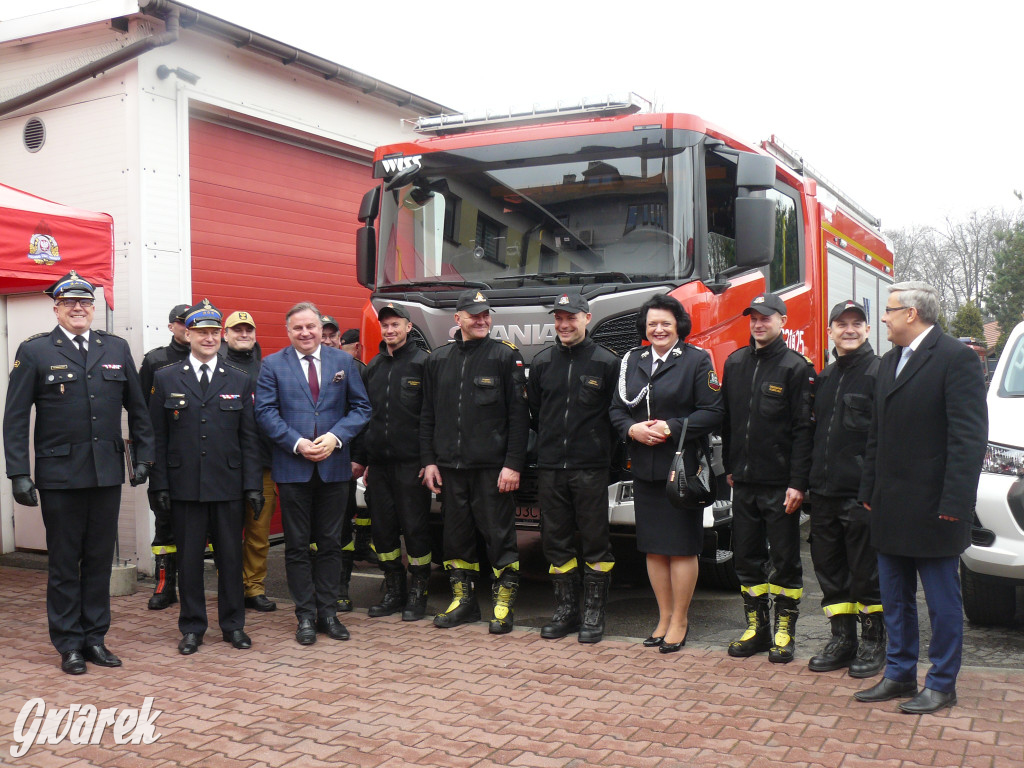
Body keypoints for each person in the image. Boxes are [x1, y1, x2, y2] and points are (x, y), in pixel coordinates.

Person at [3, 271, 154, 674]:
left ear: (94, 308)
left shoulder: (116, 347)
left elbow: (137, 409)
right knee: (66, 563)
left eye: (85, 303)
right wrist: (18, 472)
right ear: (56, 309)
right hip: (59, 476)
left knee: (99, 560)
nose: (78, 309)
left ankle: (95, 639)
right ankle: (69, 643)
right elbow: (15, 416)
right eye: (70, 303)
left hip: (106, 472)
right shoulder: (35, 351)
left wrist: (144, 457)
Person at [854, 281, 987, 715]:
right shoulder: (889, 362)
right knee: (895, 598)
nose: (884, 319)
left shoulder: (956, 358)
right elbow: (877, 434)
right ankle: (899, 674)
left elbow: (968, 439)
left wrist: (956, 504)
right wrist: (868, 491)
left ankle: (942, 682)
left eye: (890, 310)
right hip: (890, 505)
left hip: (935, 507)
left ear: (911, 313)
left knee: (943, 602)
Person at [609, 293, 724, 652]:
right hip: (644, 467)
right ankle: (662, 617)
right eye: (652, 324)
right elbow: (616, 410)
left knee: (681, 548)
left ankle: (680, 619)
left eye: (665, 323)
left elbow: (714, 411)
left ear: (679, 327)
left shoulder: (696, 361)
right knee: (654, 549)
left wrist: (671, 427)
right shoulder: (632, 360)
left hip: (683, 468)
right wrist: (632, 430)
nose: (658, 329)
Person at [148, 300, 264, 655]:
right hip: (185, 487)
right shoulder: (166, 377)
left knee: (230, 558)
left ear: (222, 336)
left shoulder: (240, 379)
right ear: (188, 334)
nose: (209, 338)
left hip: (227, 485)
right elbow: (158, 437)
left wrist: (252, 485)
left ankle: (233, 625)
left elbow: (249, 439)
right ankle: (193, 627)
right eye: (202, 332)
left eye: (215, 332)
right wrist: (160, 484)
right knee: (189, 561)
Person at [255, 302, 371, 645]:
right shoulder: (272, 365)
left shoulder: (343, 363)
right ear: (288, 332)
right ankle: (305, 616)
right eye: (297, 328)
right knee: (297, 547)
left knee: (332, 544)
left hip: (334, 469)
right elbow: (265, 412)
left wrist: (336, 438)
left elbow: (362, 408)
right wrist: (297, 443)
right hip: (293, 469)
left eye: (311, 327)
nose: (305, 333)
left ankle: (329, 613)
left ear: (322, 329)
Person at [420, 290, 530, 633]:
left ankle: (502, 604)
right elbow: (427, 416)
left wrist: (513, 464)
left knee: (499, 536)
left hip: (492, 470)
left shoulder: (504, 357)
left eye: (485, 315)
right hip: (450, 469)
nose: (481, 320)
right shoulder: (437, 361)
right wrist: (430, 461)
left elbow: (519, 417)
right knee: (456, 538)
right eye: (473, 315)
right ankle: (463, 602)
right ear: (458, 319)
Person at [721, 292, 815, 664]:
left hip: (780, 486)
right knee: (746, 558)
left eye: (766, 317)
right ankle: (756, 628)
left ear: (782, 321)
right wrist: (730, 465)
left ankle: (784, 630)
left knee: (786, 560)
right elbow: (728, 421)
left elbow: (803, 431)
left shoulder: (796, 368)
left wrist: (798, 483)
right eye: (754, 318)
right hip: (743, 482)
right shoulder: (735, 363)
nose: (759, 324)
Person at [528, 292, 621, 643]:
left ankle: (594, 614)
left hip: (591, 468)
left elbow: (615, 416)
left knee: (596, 543)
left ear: (586, 317)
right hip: (551, 466)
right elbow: (536, 412)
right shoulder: (541, 363)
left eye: (571, 317)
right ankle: (567, 611)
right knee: (556, 542)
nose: (564, 324)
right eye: (559, 318)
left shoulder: (606, 362)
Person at [807, 300, 884, 677]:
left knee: (866, 574)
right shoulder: (825, 377)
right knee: (830, 572)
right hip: (823, 494)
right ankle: (843, 640)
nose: (849, 330)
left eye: (857, 324)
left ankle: (873, 643)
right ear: (830, 332)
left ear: (868, 330)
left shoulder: (880, 374)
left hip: (861, 497)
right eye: (842, 324)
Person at [358, 302, 433, 620]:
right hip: (379, 467)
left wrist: (429, 460)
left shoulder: (424, 364)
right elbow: (364, 417)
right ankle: (394, 591)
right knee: (384, 532)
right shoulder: (373, 367)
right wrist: (362, 460)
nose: (390, 330)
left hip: (411, 465)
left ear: (408, 327)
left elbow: (432, 417)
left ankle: (418, 594)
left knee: (415, 529)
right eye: (385, 325)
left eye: (395, 325)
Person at [221, 310, 278, 612]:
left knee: (258, 533)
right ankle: (229, 587)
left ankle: (254, 588)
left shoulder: (267, 370)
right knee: (227, 534)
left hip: (263, 466)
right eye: (237, 330)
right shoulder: (216, 368)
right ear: (224, 334)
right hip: (226, 467)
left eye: (248, 330)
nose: (243, 335)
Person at [138, 303, 191, 611]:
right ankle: (164, 585)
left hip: (201, 461)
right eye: (181, 323)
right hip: (166, 462)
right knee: (165, 524)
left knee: (204, 530)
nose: (187, 328)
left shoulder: (214, 357)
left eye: (191, 323)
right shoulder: (156, 360)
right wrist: (147, 460)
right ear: (171, 326)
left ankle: (195, 586)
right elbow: (143, 415)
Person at [339, 325, 376, 570]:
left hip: (353, 453)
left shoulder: (360, 371)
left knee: (358, 505)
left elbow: (366, 416)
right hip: (331, 453)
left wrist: (362, 456)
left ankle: (361, 546)